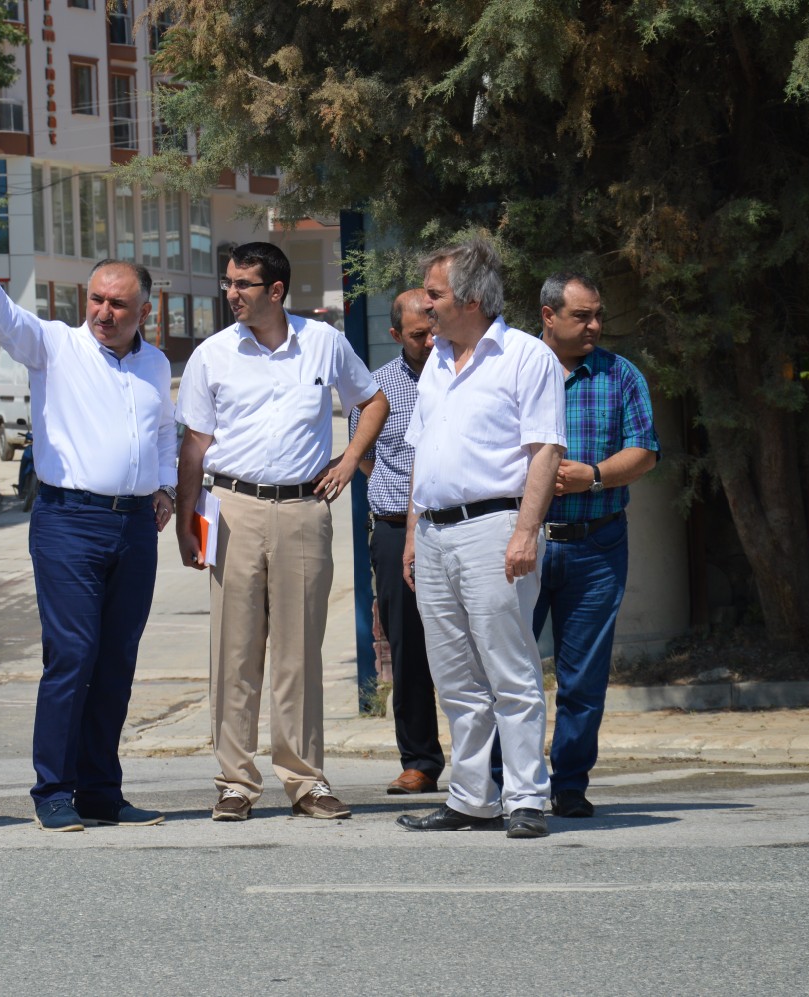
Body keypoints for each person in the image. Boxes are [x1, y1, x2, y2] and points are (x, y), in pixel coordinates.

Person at [0, 209, 176, 832]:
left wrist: (162, 488)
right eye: (97, 300)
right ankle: (54, 790)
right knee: (73, 655)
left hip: (133, 528)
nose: (104, 313)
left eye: (118, 305)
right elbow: (0, 316)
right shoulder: (54, 344)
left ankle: (103, 791)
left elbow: (164, 430)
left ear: (143, 313)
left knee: (117, 659)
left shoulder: (154, 365)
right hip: (69, 522)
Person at [175, 242, 389, 822]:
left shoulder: (323, 342)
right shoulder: (212, 355)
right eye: (228, 283)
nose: (231, 294)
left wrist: (348, 461)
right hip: (232, 506)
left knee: (299, 654)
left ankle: (306, 782)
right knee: (234, 652)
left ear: (276, 291)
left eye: (243, 284)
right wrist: (187, 523)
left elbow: (373, 401)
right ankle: (234, 785)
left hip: (302, 510)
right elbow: (194, 446)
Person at [394, 237, 566, 840]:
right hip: (437, 532)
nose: (425, 305)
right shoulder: (437, 361)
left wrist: (525, 532)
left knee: (509, 670)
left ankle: (526, 798)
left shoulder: (524, 357)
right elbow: (422, 456)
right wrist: (414, 535)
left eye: (434, 294)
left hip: (497, 529)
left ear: (469, 298)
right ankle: (471, 797)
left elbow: (545, 450)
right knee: (456, 676)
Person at [532, 272, 658, 818]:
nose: (595, 326)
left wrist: (597, 476)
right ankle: (503, 782)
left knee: (582, 678)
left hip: (596, 547)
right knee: (506, 674)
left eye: (598, 315)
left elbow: (645, 451)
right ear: (548, 316)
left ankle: (569, 785)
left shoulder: (620, 375)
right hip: (523, 545)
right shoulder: (514, 370)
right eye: (583, 316)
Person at [350, 288, 445, 795]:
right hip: (391, 531)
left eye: (434, 330)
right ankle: (420, 761)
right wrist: (396, 501)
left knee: (468, 646)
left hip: (454, 525)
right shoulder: (377, 390)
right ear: (395, 336)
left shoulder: (464, 375)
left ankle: (490, 762)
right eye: (417, 335)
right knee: (407, 647)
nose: (429, 341)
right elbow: (363, 457)